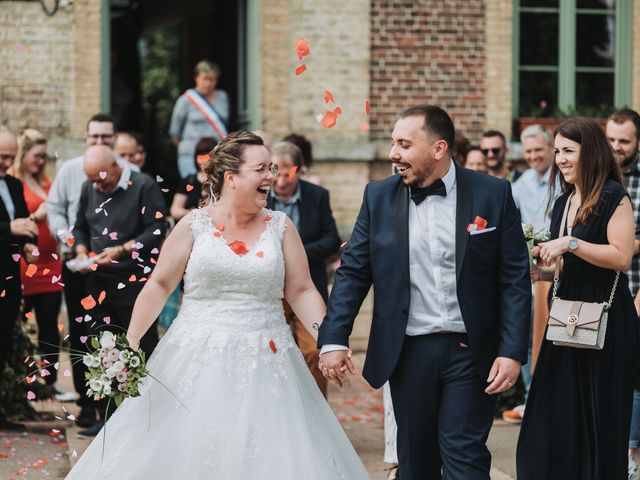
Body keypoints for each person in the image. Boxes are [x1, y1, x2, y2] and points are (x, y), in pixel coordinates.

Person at [65, 131, 369, 479]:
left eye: (271, 168)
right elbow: (160, 284)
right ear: (231, 177)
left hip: (268, 360)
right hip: (194, 356)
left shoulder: (282, 227)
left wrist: (330, 340)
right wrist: (131, 341)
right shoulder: (193, 225)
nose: (271, 176)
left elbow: (301, 291)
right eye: (262, 169)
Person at [318, 105, 531, 479]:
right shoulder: (378, 197)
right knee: (416, 461)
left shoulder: (493, 194)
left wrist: (512, 352)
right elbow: (353, 272)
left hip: (471, 349)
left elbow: (513, 278)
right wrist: (334, 338)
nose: (393, 154)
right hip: (409, 349)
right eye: (392, 143)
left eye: (403, 144)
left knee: (464, 454)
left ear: (438, 148)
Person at [517, 118, 638, 479]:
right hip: (565, 318)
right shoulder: (562, 203)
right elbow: (565, 268)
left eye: (568, 151)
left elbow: (621, 256)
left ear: (591, 153)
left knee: (601, 420)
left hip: (605, 317)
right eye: (557, 152)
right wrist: (542, 261)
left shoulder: (613, 196)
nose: (561, 159)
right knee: (551, 414)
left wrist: (570, 243)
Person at [47, 113, 140, 429]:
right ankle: (88, 403)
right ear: (86, 138)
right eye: (94, 137)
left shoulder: (133, 175)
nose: (100, 142)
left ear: (115, 139)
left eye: (106, 137)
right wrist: (73, 242)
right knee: (81, 330)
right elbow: (55, 209)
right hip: (78, 261)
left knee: (115, 332)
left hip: (116, 268)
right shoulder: (70, 170)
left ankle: (117, 404)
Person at [267, 141, 341, 397]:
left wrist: (296, 253)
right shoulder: (259, 196)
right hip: (269, 289)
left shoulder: (317, 196)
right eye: (275, 171)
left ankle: (317, 406)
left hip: (306, 285)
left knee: (315, 351)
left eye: (287, 172)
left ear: (299, 170)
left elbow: (332, 239)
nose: (280, 179)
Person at [9, 129, 76, 402]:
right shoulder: (14, 183)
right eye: (36, 156)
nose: (40, 161)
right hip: (27, 265)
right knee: (23, 326)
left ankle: (49, 381)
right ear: (23, 155)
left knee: (50, 327)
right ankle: (26, 381)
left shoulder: (47, 180)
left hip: (52, 264)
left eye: (43, 156)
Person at [502, 124, 559, 424]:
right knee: (525, 336)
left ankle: (555, 400)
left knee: (554, 335)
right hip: (530, 272)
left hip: (560, 269)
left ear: (551, 148)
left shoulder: (565, 180)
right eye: (529, 151)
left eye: (539, 150)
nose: (534, 156)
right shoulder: (520, 184)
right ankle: (530, 397)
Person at [605, 108, 640, 479]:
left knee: (635, 381)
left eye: (624, 142)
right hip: (608, 296)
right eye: (611, 140)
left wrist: (622, 243)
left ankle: (630, 456)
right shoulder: (598, 176)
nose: (616, 148)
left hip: (636, 288)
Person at [0, 128, 38, 430]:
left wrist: (28, 245)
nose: (7, 163)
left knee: (3, 347)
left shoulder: (13, 184)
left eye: (11, 157)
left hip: (10, 280)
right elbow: (12, 226)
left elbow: (23, 222)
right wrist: (9, 229)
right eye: (2, 157)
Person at [169, 60, 230, 178]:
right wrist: (188, 147)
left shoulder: (222, 97)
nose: (208, 83)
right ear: (196, 78)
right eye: (204, 79)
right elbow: (174, 132)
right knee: (193, 189)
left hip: (216, 154)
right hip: (191, 154)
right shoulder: (185, 100)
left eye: (212, 79)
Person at [170, 137, 217, 221]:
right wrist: (195, 213)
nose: (204, 161)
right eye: (200, 157)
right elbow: (175, 210)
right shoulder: (188, 181)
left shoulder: (221, 181)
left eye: (207, 157)